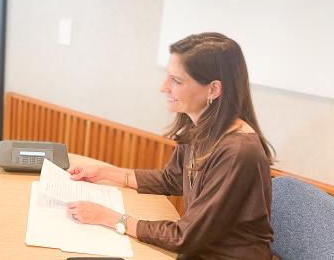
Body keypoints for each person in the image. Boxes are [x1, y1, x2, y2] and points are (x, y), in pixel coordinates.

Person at [66, 32, 275, 259]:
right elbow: (172, 179)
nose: (163, 88)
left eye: (176, 80)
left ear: (213, 89)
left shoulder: (238, 152)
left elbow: (183, 236)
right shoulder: (201, 128)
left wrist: (109, 218)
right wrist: (105, 172)